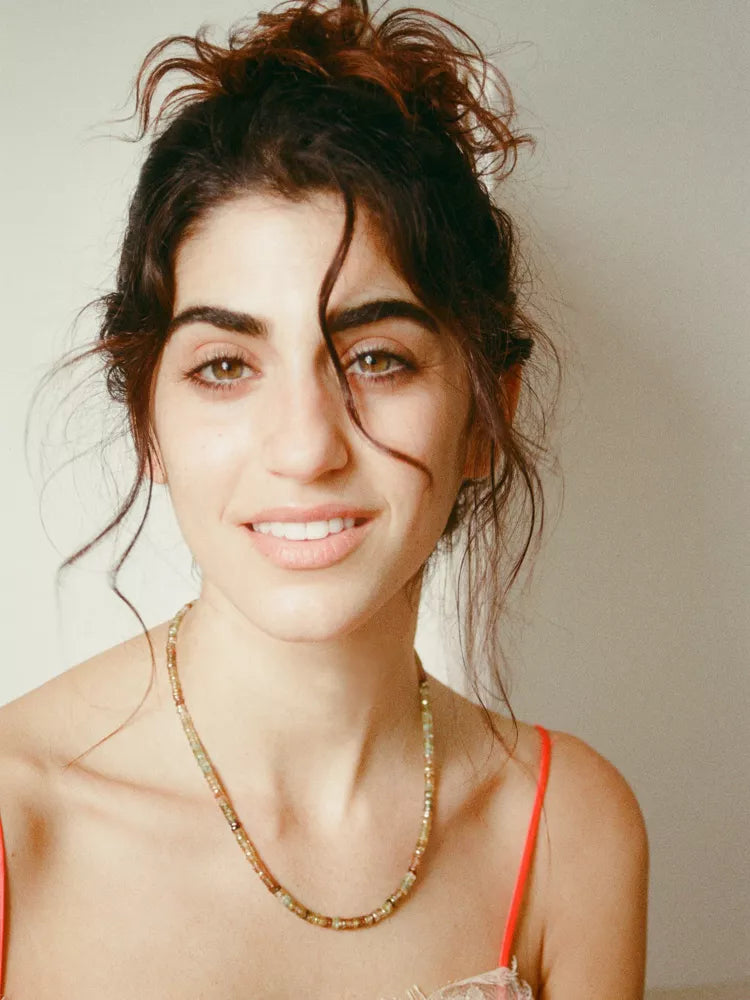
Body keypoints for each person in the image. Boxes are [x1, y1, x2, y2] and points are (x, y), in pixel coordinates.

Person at [0, 0, 649, 996]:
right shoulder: (16, 819)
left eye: (377, 358)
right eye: (225, 365)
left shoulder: (568, 829)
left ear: (486, 413)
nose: (306, 447)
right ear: (147, 418)